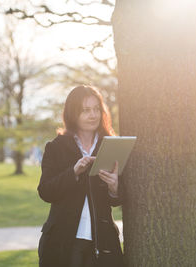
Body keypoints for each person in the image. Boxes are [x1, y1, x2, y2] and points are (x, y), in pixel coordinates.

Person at [37, 85, 124, 267]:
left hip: (102, 241)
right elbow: (45, 191)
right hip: (63, 242)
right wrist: (73, 172)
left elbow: (118, 199)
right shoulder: (56, 147)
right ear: (72, 113)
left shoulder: (111, 146)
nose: (93, 115)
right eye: (85, 110)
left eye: (96, 109)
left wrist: (114, 188)